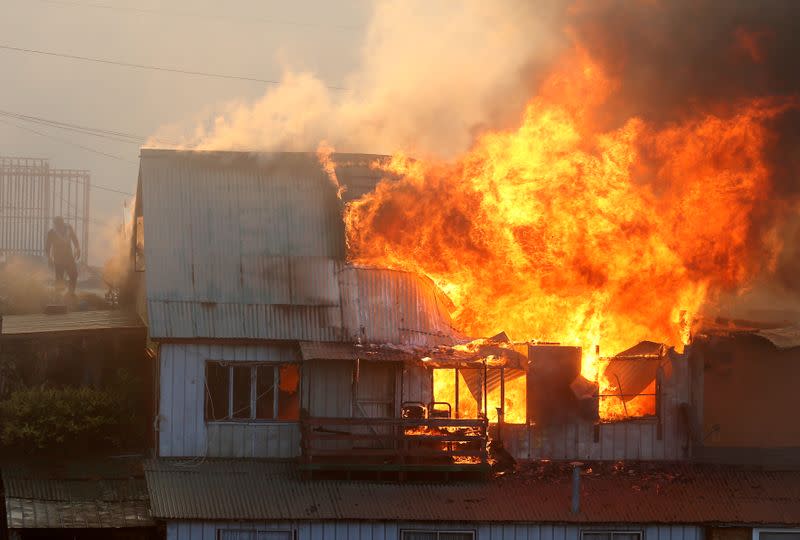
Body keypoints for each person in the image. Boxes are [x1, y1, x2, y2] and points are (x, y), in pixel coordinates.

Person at [45, 216, 80, 295]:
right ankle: (58, 297)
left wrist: (78, 249)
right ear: (55, 224)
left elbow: (74, 239)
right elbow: (47, 247)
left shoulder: (68, 228)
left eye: (60, 224)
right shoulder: (52, 233)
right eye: (57, 224)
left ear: (63, 223)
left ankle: (70, 294)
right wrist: (49, 258)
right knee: (59, 280)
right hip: (58, 260)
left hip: (69, 258)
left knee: (74, 275)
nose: (59, 226)